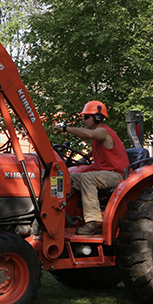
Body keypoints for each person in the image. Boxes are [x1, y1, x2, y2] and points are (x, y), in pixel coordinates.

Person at [54, 101, 129, 235]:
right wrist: (83, 159)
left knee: (88, 178)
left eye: (86, 117)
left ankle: (94, 222)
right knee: (66, 178)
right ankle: (58, 213)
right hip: (103, 174)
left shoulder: (103, 131)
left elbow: (89, 135)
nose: (83, 121)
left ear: (98, 117)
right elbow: (95, 151)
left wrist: (65, 128)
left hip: (116, 175)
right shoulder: (99, 137)